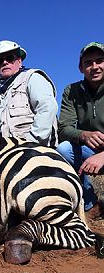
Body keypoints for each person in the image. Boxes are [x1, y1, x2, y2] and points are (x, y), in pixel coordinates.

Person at [0, 40, 58, 147]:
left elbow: (47, 109)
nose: (4, 62)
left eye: (10, 58)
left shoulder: (32, 78)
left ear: (19, 61)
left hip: (31, 150)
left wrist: (29, 143)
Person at [56, 42, 104, 216]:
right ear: (81, 68)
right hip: (90, 150)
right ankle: (90, 203)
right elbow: (64, 128)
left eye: (100, 61)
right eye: (88, 63)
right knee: (63, 149)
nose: (95, 67)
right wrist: (83, 135)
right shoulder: (72, 90)